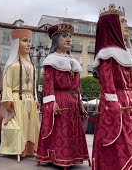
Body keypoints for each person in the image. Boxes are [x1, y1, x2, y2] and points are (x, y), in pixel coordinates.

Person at [92, 4, 132, 170]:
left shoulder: (128, 54)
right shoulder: (106, 53)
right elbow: (108, 84)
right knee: (120, 142)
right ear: (112, 25)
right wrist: (113, 105)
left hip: (130, 104)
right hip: (116, 104)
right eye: (122, 21)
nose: (126, 25)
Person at [36, 23, 90, 169]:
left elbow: (76, 87)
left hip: (72, 103)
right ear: (55, 40)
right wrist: (51, 103)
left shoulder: (74, 62)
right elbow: (48, 85)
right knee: (61, 131)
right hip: (58, 101)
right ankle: (57, 158)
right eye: (64, 36)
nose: (69, 39)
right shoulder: (51, 61)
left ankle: (72, 157)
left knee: (71, 131)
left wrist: (80, 103)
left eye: (70, 36)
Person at [0, 29, 40, 162]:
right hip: (17, 99)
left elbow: (34, 85)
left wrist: (36, 98)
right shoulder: (12, 65)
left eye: (29, 41)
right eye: (24, 41)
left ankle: (29, 149)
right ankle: (17, 149)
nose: (28, 44)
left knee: (31, 126)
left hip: (30, 100)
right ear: (17, 43)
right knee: (18, 125)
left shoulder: (32, 65)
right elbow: (7, 85)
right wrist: (8, 99)